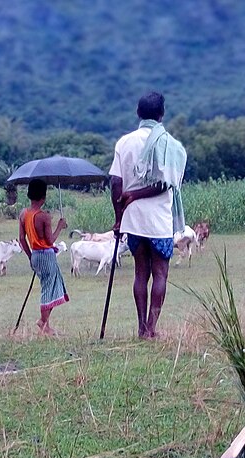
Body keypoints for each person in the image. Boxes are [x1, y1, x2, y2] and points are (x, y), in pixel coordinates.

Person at [109, 91, 187, 339]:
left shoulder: (124, 142)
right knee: (160, 274)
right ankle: (151, 329)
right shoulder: (171, 145)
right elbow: (167, 184)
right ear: (162, 114)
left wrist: (119, 216)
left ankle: (141, 326)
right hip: (159, 221)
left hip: (133, 220)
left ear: (138, 113)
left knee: (140, 273)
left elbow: (115, 183)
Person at [18, 179, 69, 336]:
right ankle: (43, 322)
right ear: (44, 197)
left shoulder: (23, 214)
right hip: (46, 255)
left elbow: (21, 239)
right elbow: (50, 241)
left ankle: (45, 322)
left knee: (52, 285)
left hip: (35, 255)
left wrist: (30, 257)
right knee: (48, 288)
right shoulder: (43, 216)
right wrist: (60, 226)